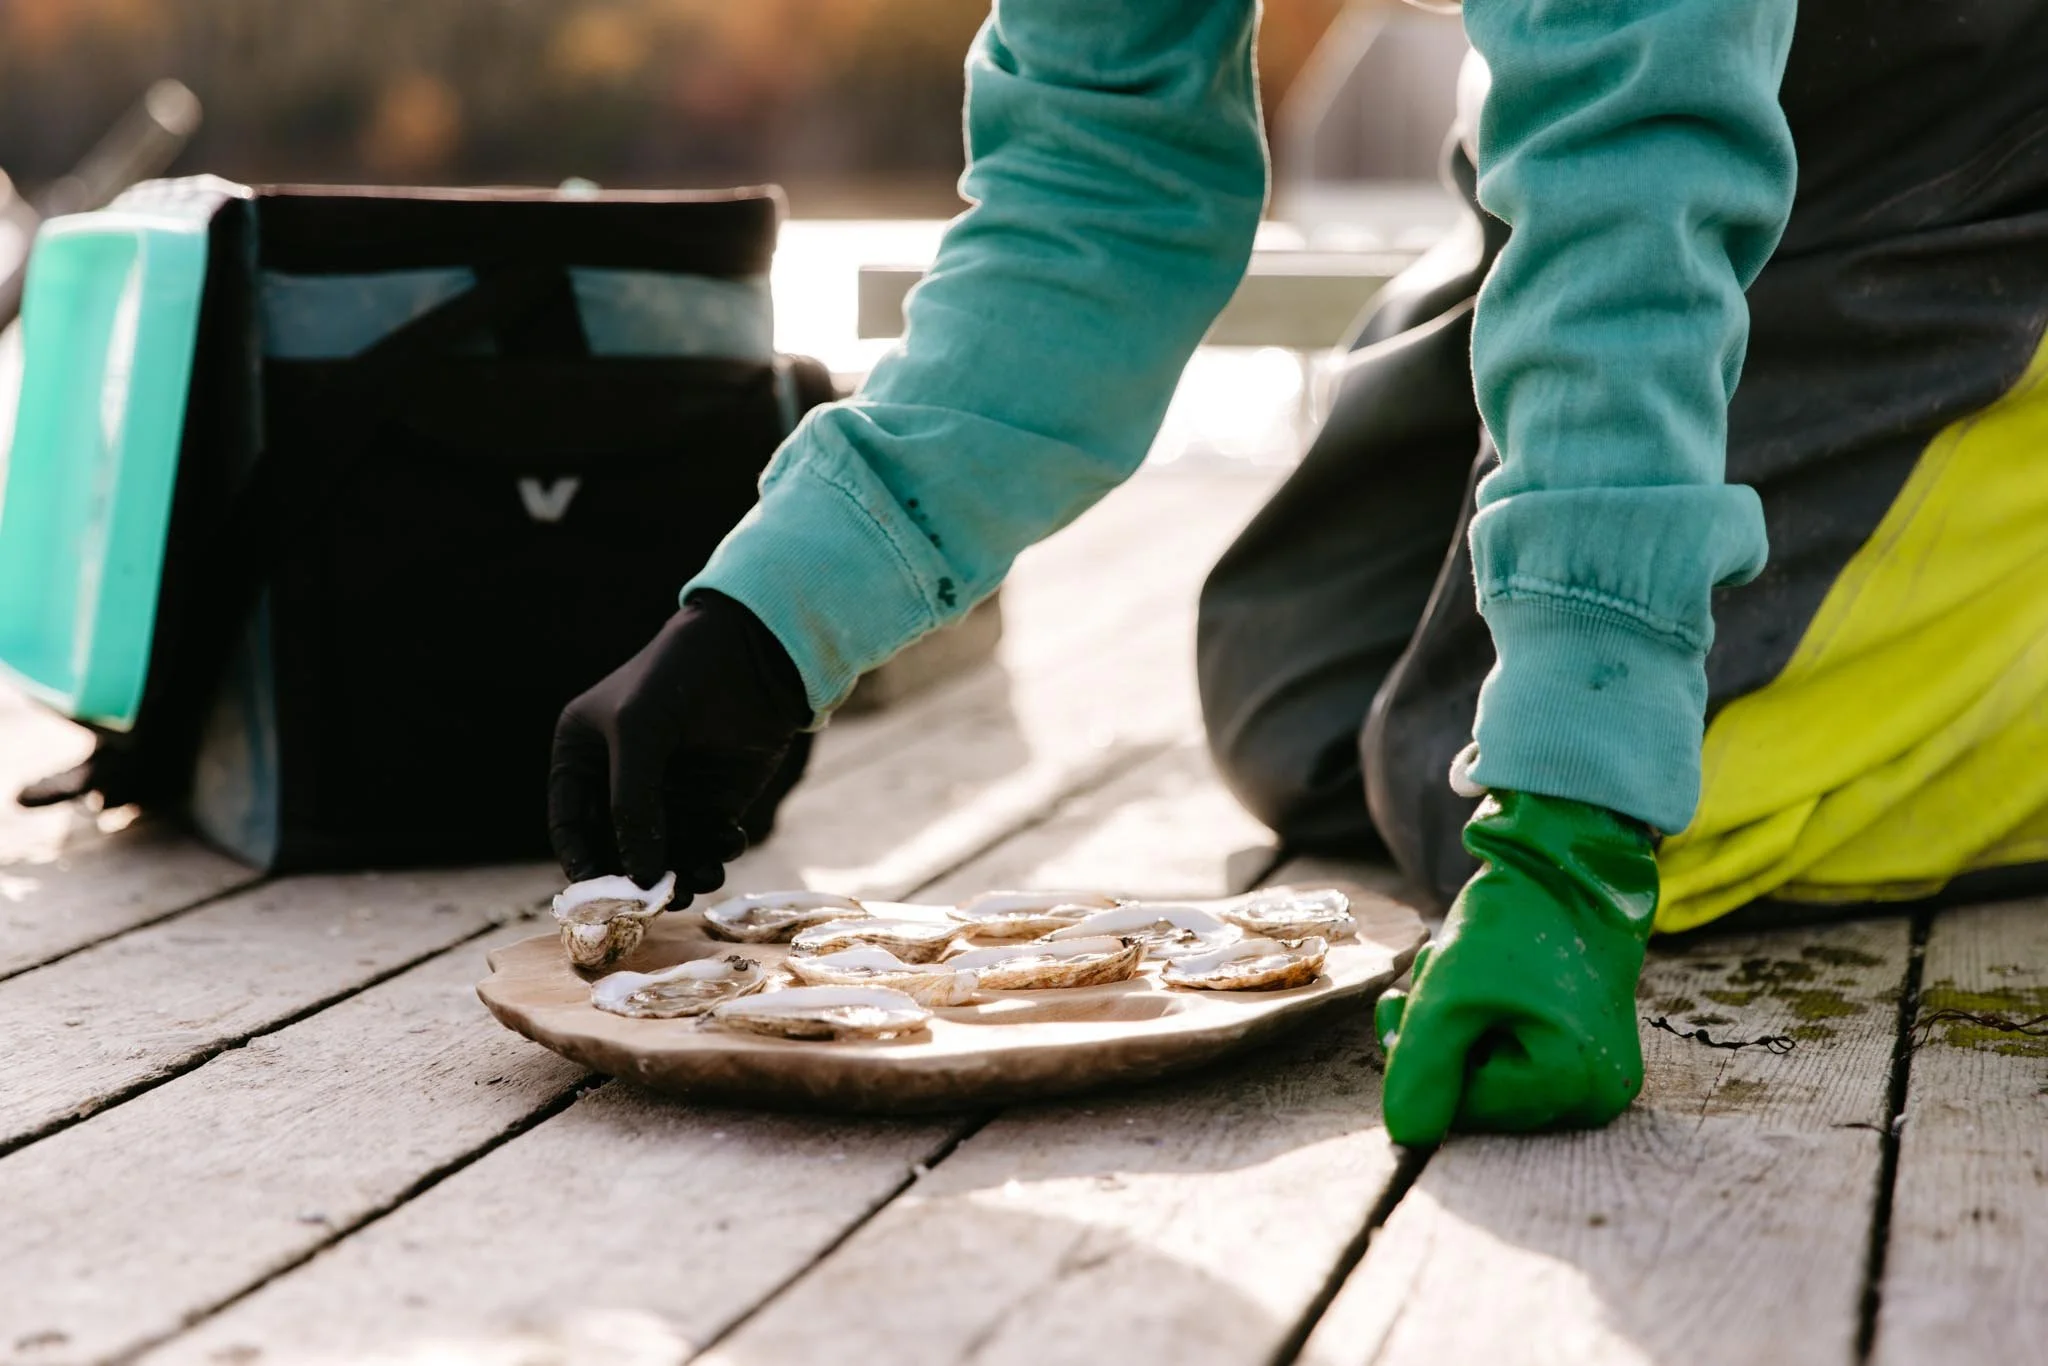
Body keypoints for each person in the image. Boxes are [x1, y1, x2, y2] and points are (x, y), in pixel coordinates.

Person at [549, 0, 2048, 1145]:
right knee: (1302, 689)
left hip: (1970, 133)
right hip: (1655, 134)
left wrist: (1582, 830)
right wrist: (771, 611)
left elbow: (1632, 173)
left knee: (1588, 788)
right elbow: (1098, 186)